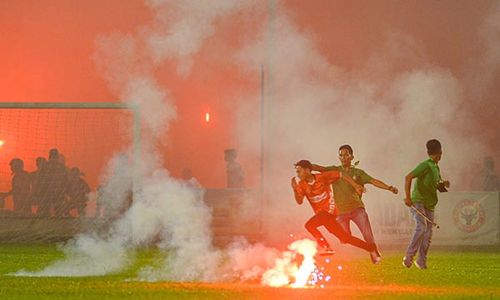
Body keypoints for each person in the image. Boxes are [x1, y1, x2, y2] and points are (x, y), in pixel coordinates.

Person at [311, 145, 398, 263]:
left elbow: (373, 181)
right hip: (340, 212)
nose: (343, 157)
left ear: (352, 156)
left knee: (367, 234)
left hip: (357, 209)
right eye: (341, 155)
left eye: (346, 155)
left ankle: (374, 252)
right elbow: (319, 168)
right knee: (344, 239)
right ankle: (368, 248)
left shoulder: (358, 172)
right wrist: (306, 166)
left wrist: (389, 187)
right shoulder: (335, 170)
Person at [291, 160, 380, 258]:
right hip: (322, 215)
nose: (298, 174)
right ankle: (371, 248)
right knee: (345, 238)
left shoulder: (322, 177)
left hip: (330, 210)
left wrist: (355, 186)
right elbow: (299, 201)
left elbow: (341, 174)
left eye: (299, 171)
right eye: (297, 172)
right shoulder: (301, 185)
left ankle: (326, 247)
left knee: (309, 225)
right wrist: (295, 190)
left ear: (307, 170)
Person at [403, 139, 450, 269]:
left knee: (428, 233)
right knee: (421, 227)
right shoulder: (425, 165)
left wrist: (443, 184)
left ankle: (421, 261)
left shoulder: (435, 167)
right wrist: (408, 197)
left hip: (430, 204)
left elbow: (436, 184)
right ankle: (408, 257)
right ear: (440, 153)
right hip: (418, 201)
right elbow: (408, 177)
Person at [44, 148, 68, 217]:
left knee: (51, 209)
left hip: (53, 191)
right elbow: (66, 180)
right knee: (53, 210)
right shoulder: (61, 167)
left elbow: (65, 180)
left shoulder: (46, 166)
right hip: (53, 191)